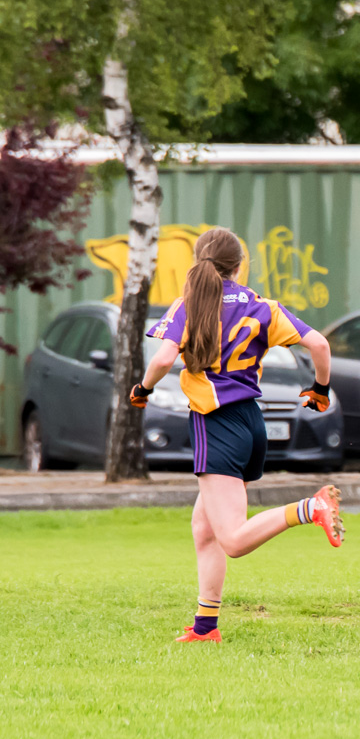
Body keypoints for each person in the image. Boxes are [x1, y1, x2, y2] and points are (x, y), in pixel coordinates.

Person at [131, 227, 342, 643]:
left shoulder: (190, 304)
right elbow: (319, 345)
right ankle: (206, 627)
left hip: (217, 423)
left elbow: (164, 357)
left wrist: (143, 389)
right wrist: (320, 390)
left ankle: (308, 508)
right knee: (204, 527)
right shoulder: (262, 306)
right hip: (250, 421)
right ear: (239, 266)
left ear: (199, 261)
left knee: (232, 539)